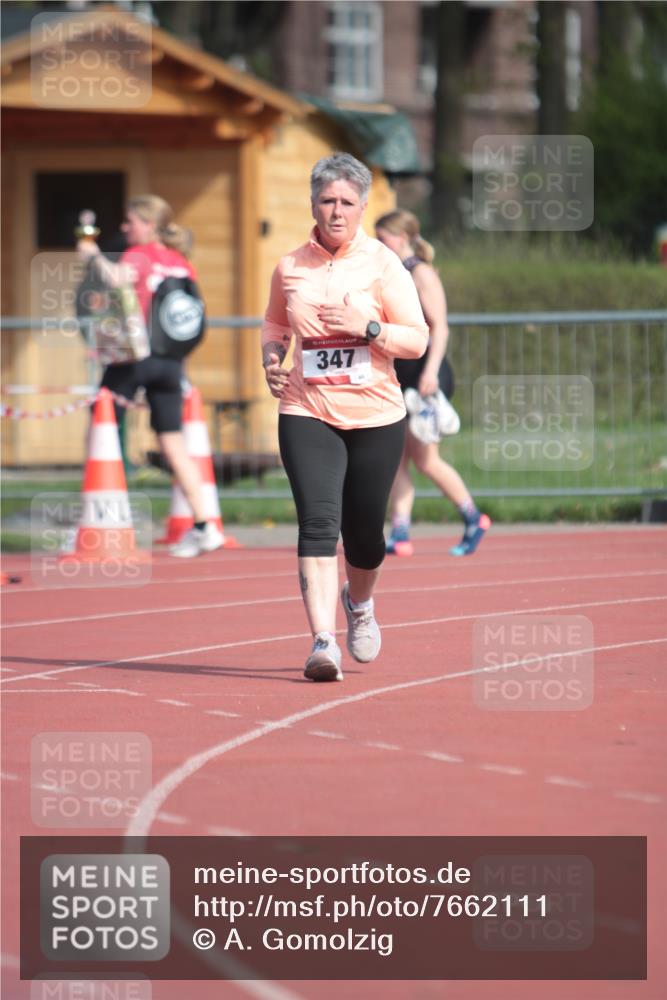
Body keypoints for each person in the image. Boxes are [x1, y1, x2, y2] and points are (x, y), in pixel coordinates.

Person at [262, 153, 429, 683]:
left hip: (376, 414)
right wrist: (271, 357)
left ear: (362, 208)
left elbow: (417, 338)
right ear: (313, 203)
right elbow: (273, 322)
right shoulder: (290, 265)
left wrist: (369, 328)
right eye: (327, 201)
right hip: (306, 408)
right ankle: (322, 641)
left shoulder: (383, 264)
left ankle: (360, 604)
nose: (336, 211)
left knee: (364, 536)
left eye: (347, 203)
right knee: (317, 522)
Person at [77, 195, 222, 558]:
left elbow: (115, 280)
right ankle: (205, 524)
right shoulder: (181, 261)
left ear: (149, 225)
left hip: (135, 357)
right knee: (172, 442)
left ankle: (98, 524)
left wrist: (91, 253)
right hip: (171, 363)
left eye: (130, 222)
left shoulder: (136, 255)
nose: (125, 228)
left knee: (100, 426)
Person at [374, 210, 490, 557]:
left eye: (384, 239)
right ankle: (401, 532)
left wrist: (430, 372)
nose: (380, 245)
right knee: (396, 458)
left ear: (403, 237)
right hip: (402, 375)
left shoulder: (421, 272)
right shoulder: (391, 273)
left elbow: (440, 326)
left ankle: (474, 517)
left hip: (427, 374)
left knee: (426, 460)